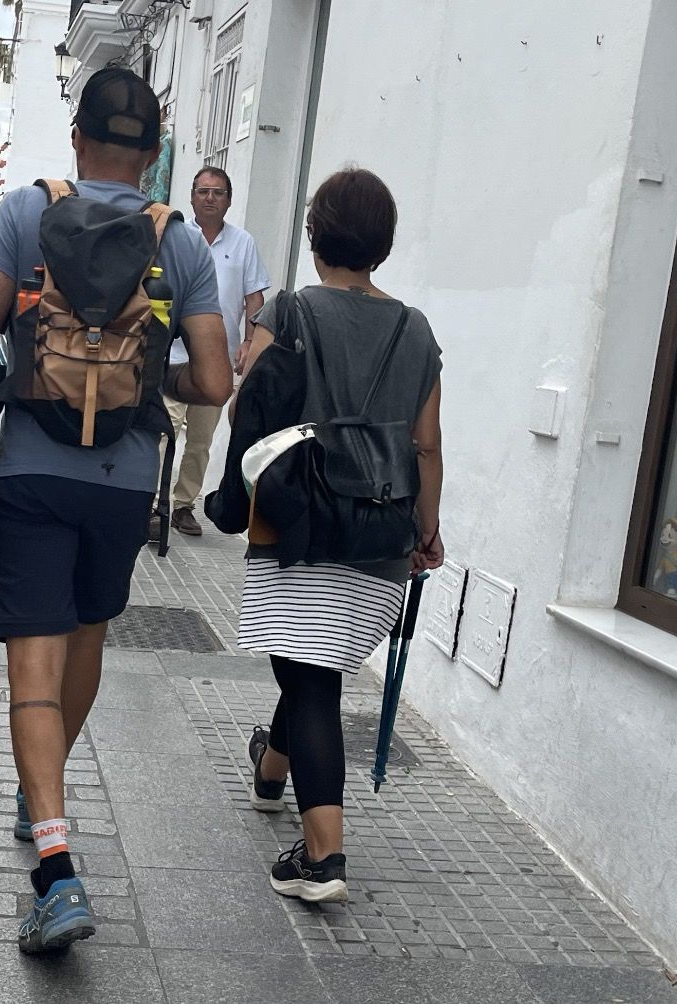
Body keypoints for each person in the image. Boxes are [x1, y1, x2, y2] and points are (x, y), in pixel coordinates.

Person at [0, 67, 232, 954]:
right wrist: (150, 380)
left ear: (77, 139)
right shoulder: (179, 242)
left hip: (32, 467)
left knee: (29, 665)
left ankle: (56, 861)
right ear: (153, 158)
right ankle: (48, 806)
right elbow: (216, 382)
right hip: (124, 479)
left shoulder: (25, 213)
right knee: (86, 641)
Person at [233, 167, 443, 904]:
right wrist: (428, 529)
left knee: (311, 677)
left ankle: (323, 858)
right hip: (382, 527)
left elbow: (247, 405)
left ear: (317, 234)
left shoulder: (289, 311)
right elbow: (426, 444)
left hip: (301, 520)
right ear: (382, 243)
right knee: (310, 660)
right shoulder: (417, 329)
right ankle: (270, 774)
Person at [158, 166, 272, 537]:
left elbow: (254, 298)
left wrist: (250, 341)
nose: (210, 197)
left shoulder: (243, 244)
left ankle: (182, 505)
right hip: (171, 357)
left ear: (229, 200)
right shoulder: (174, 239)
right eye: (203, 191)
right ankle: (151, 502)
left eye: (218, 192)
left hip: (216, 362)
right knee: (163, 431)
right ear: (191, 197)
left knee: (201, 441)